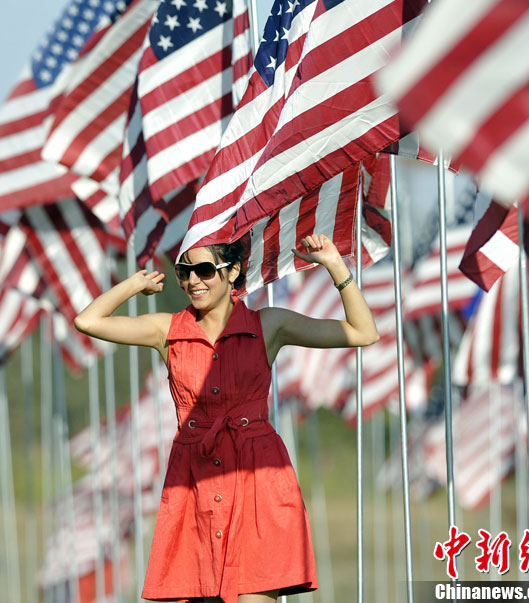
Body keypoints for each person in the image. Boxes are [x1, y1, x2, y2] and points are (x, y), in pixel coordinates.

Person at [74, 234, 379, 603]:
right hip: (194, 483)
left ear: (233, 271)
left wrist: (334, 264)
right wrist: (134, 284)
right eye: (183, 272)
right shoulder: (165, 331)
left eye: (204, 270)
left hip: (259, 480)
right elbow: (88, 321)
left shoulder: (269, 325)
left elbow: (364, 332)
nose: (193, 281)